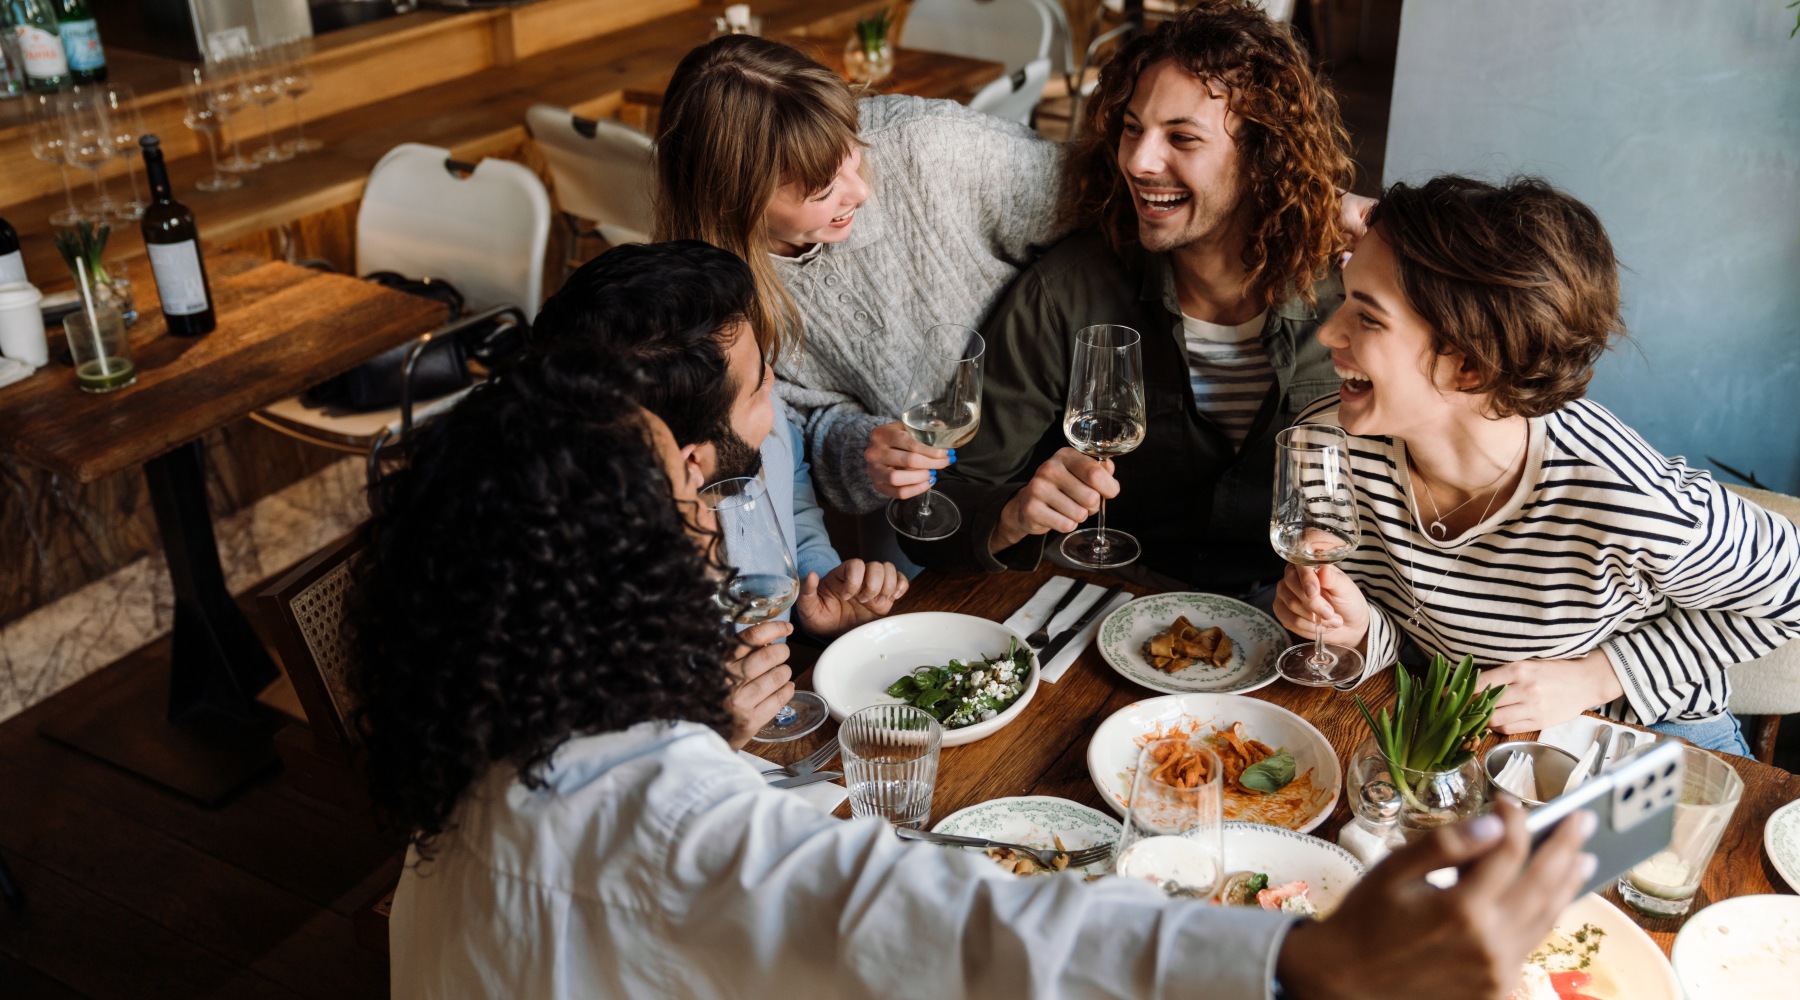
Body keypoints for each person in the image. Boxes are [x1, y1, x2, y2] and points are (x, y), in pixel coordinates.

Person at [352, 346, 1599, 999]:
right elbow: (944, 929)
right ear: (608, 577)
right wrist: (1303, 966)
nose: (706, 508)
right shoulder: (661, 812)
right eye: (683, 491)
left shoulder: (470, 765)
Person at [1274, 175, 1800, 753]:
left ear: (1470, 365)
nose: (1327, 331)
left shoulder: (1621, 492)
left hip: (1652, 738)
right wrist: (1357, 631)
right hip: (1473, 733)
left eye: (1368, 317)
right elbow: (1408, 633)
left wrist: (1595, 676)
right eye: (1345, 298)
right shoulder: (1327, 445)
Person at [905, 2, 1351, 589]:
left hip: (1306, 618)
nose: (1138, 162)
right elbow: (938, 512)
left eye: (1182, 138)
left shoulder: (1352, 296)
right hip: (1113, 601)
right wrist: (1013, 513)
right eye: (1133, 128)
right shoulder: (1068, 293)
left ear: (1264, 159)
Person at [531, 240, 907, 643]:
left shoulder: (749, 406)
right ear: (691, 462)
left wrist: (816, 587)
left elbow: (790, 487)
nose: (772, 382)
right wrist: (716, 706)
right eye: (756, 392)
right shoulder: (577, 587)